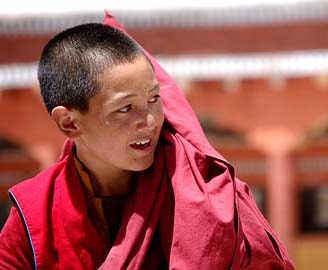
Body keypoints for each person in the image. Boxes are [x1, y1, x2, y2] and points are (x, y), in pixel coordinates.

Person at [0, 12, 295, 269]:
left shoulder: (200, 193)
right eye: (125, 108)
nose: (150, 121)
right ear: (69, 122)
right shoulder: (34, 213)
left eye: (154, 99)